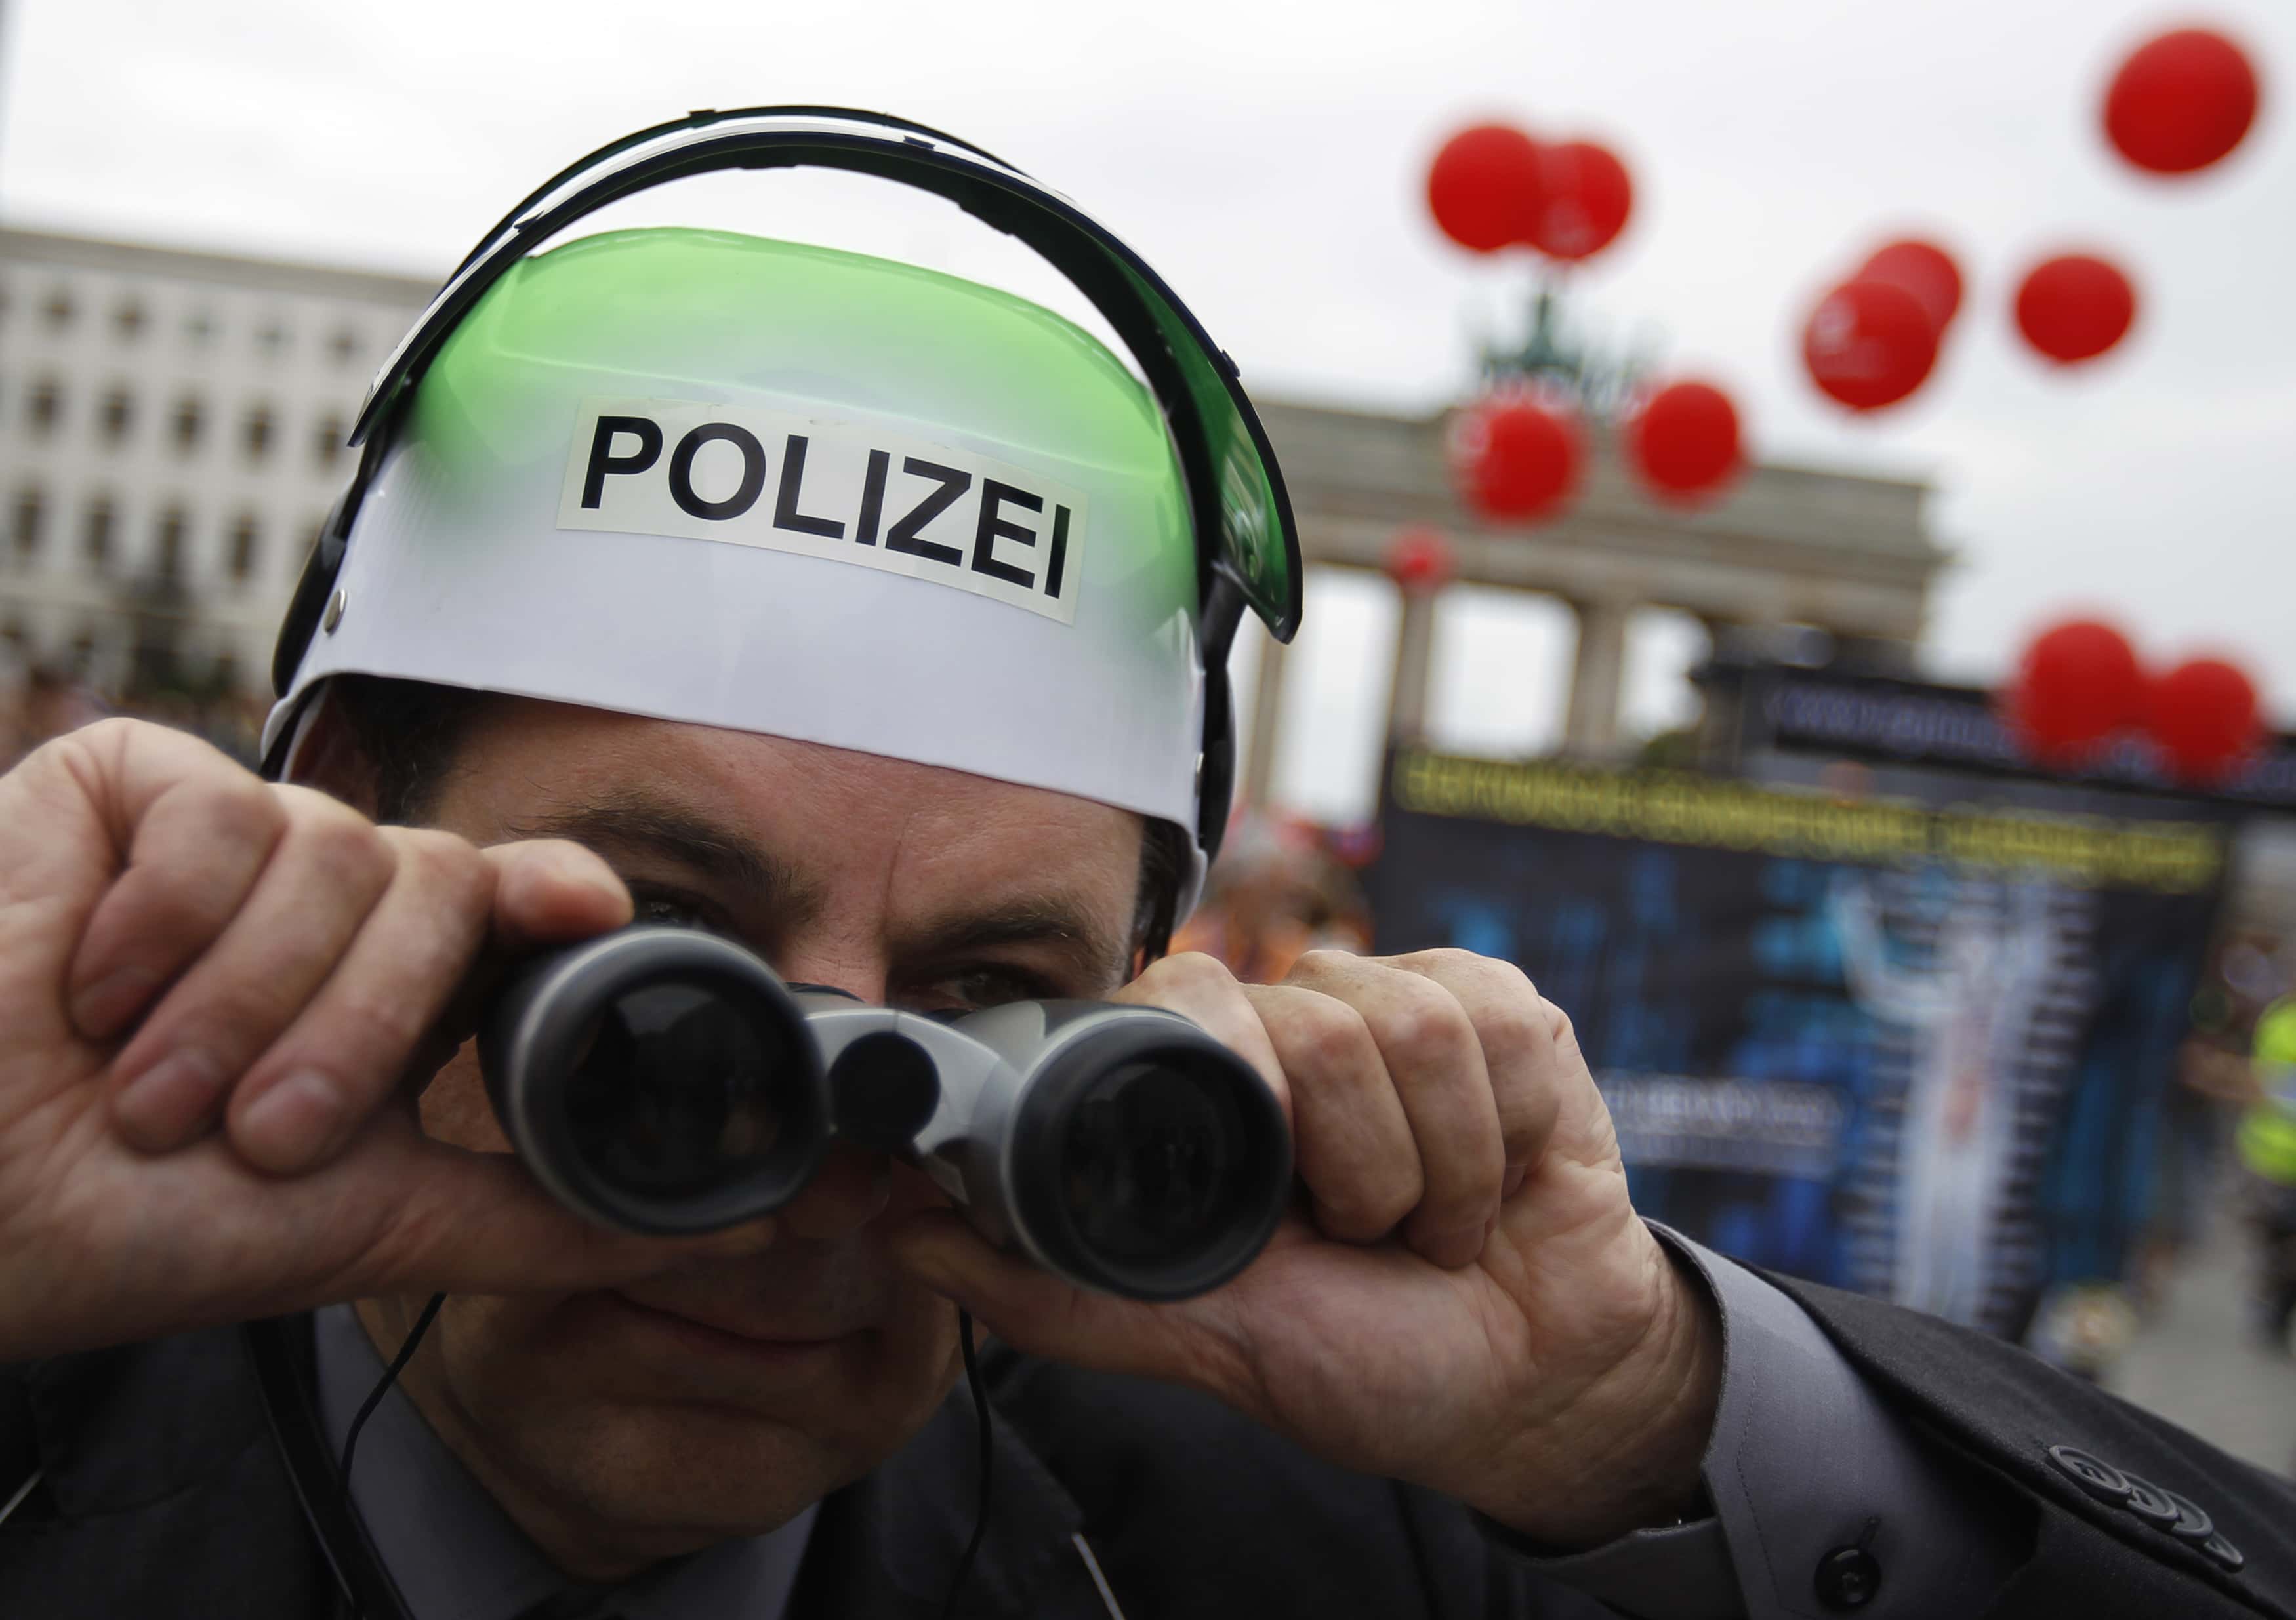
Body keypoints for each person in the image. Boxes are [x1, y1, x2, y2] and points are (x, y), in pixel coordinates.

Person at [2, 110, 2291, 1620]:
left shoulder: (1289, 1523)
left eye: (997, 1001)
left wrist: (1635, 1414)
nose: (813, 1143)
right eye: (658, 959)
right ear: (343, 850)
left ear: (1145, 999)